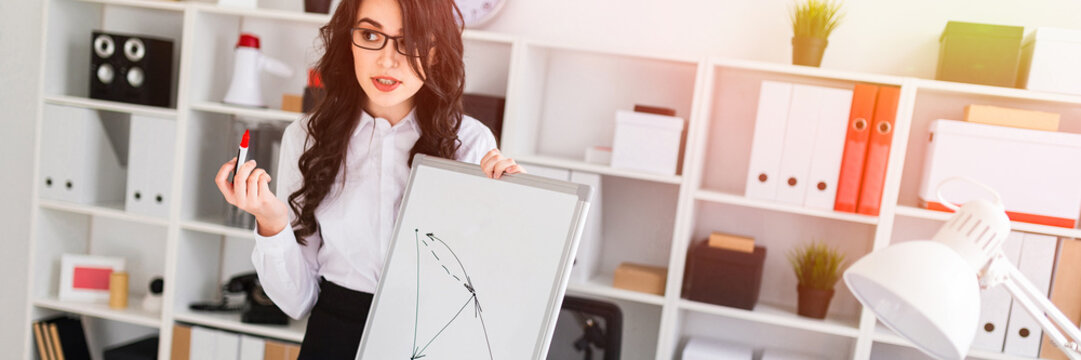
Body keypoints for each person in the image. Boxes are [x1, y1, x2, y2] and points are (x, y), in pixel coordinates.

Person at [213, 0, 524, 357]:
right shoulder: (305, 138)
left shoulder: (470, 143)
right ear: (349, 41)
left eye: (410, 41)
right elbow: (296, 302)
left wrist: (516, 211)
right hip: (334, 338)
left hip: (433, 338)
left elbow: (494, 282)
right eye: (371, 34)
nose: (387, 60)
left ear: (437, 52)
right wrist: (270, 221)